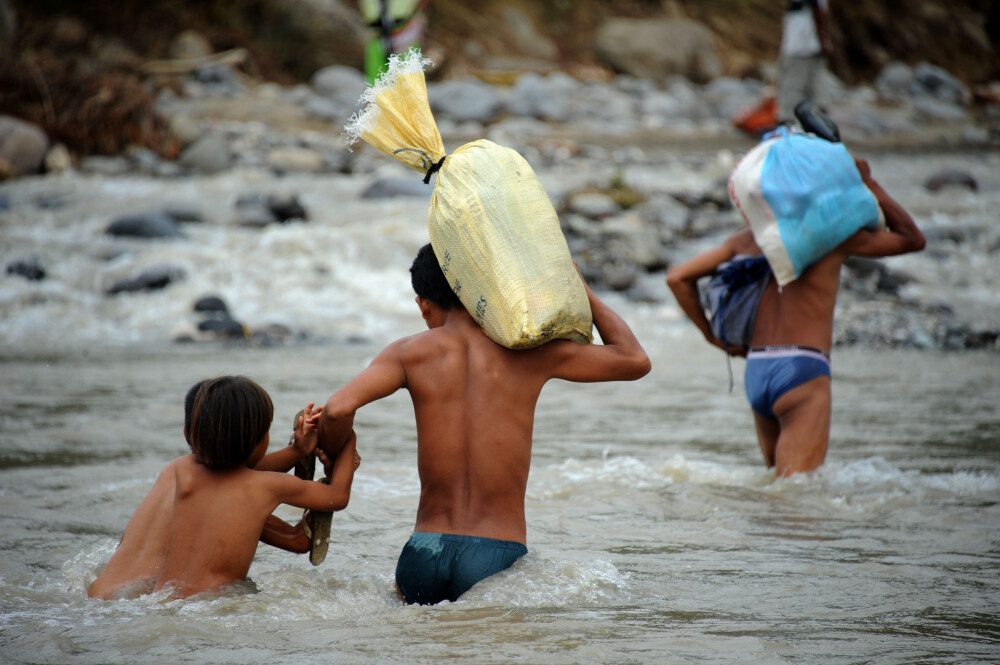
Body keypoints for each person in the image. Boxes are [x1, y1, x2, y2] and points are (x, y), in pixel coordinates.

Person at [316, 243, 651, 605]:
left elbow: (336, 410)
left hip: (422, 553)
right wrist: (579, 286)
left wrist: (335, 455)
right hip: (495, 556)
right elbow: (634, 360)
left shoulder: (407, 353)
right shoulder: (531, 352)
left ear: (423, 304)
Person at [666, 159, 925, 476]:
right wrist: (869, 183)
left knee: (777, 492)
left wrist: (712, 335)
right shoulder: (831, 237)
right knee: (795, 501)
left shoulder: (745, 240)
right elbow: (912, 239)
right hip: (802, 368)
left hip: (757, 368)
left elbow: (677, 278)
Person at [88, 377, 357, 599]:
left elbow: (237, 478)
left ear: (191, 434)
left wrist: (297, 451)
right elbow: (337, 496)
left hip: (114, 597)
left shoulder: (178, 470)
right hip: (207, 606)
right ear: (260, 439)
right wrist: (346, 440)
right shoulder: (268, 486)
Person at [777, 0, 832, 123]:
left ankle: (792, 119)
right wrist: (823, 39)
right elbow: (819, 10)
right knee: (803, 84)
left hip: (803, 43)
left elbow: (818, 10)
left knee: (800, 85)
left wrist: (822, 39)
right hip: (802, 43)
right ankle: (796, 120)